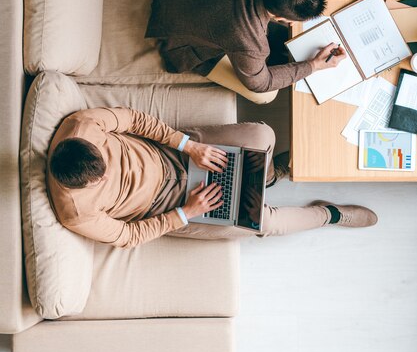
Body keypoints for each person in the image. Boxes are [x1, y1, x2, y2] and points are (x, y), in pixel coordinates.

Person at [46, 107, 377, 249]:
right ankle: (329, 214)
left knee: (263, 135)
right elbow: (129, 236)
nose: (110, 175)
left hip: (173, 154)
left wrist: (189, 147)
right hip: (171, 206)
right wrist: (185, 213)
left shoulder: (84, 124)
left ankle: (268, 174)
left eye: (107, 163)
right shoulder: (76, 212)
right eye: (102, 181)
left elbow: (135, 121)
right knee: (260, 221)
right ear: (80, 187)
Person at [145, 0, 347, 104]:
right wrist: (313, 66)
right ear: (278, 17)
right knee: (266, 96)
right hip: (173, 30)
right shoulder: (250, 44)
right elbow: (261, 83)